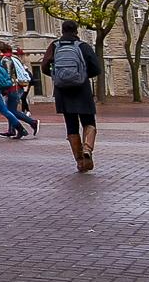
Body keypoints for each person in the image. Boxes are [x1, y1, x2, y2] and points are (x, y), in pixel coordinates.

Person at [42, 20, 103, 173]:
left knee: (71, 126)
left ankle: (79, 161)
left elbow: (43, 67)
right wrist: (82, 75)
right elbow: (96, 68)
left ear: (62, 31)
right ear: (76, 31)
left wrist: (56, 75)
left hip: (63, 91)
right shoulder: (83, 46)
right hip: (82, 90)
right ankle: (87, 149)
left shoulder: (54, 46)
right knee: (89, 121)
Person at [0, 42, 33, 114]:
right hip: (14, 87)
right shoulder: (8, 58)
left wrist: (4, 87)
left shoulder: (6, 59)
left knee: (11, 111)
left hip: (13, 88)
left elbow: (8, 74)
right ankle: (30, 122)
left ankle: (33, 122)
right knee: (11, 111)